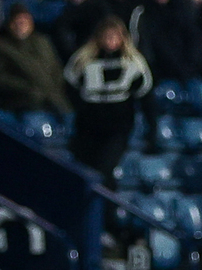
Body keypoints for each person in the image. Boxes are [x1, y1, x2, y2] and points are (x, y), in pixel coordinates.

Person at [64, 15, 152, 189]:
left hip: (118, 126)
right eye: (107, 36)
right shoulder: (83, 61)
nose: (110, 41)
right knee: (85, 170)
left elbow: (144, 93)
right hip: (88, 125)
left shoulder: (134, 63)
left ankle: (107, 212)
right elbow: (70, 86)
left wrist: (151, 127)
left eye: (115, 36)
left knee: (105, 170)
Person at [0, 3, 71, 115]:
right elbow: (0, 77)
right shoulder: (1, 47)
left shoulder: (42, 42)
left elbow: (55, 69)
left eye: (24, 21)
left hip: (55, 101)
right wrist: (29, 89)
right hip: (25, 103)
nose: (21, 25)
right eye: (17, 21)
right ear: (9, 24)